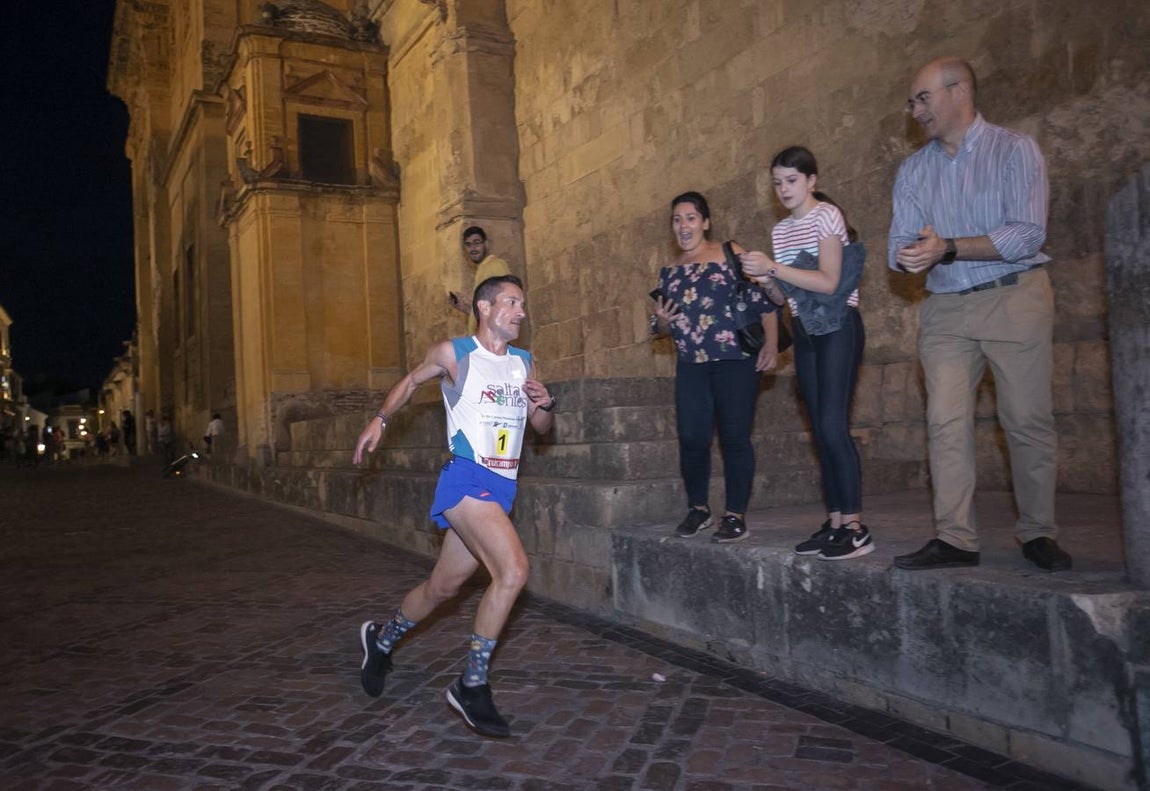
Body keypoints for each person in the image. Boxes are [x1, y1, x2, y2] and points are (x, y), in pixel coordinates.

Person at [353, 274, 556, 738]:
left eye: (522, 304)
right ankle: (472, 683)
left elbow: (540, 427)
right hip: (466, 478)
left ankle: (381, 641)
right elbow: (410, 382)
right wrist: (379, 421)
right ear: (485, 308)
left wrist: (546, 403)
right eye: (512, 302)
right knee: (513, 572)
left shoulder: (524, 362)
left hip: (502, 488)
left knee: (442, 589)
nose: (521, 311)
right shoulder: (456, 353)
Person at [888, 56, 1070, 572]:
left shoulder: (1015, 150)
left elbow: (1027, 234)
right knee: (944, 422)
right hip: (945, 307)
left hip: (1015, 297)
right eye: (912, 100)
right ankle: (955, 538)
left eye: (923, 98)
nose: (915, 109)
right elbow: (898, 244)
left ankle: (1038, 532)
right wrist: (910, 254)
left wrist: (947, 247)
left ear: (959, 91)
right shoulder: (913, 169)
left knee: (1027, 419)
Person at [740, 146, 872, 560]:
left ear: (811, 181)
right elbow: (787, 294)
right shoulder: (780, 232)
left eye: (792, 180)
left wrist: (774, 268)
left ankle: (855, 526)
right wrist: (764, 280)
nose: (783, 189)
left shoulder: (827, 216)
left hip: (838, 327)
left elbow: (830, 281)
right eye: (777, 182)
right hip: (807, 329)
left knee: (834, 424)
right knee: (819, 427)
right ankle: (834, 522)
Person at [650, 191, 778, 544]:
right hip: (691, 364)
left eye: (691, 217)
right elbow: (661, 328)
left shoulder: (729, 253)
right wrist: (661, 322)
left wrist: (771, 343)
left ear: (705, 222)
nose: (684, 225)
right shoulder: (670, 274)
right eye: (677, 219)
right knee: (692, 438)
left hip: (735, 360)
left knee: (735, 436)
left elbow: (763, 300)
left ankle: (735, 514)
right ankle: (698, 509)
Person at [449, 225, 512, 335]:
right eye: (468, 245)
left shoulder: (496, 265)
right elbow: (485, 314)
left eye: (477, 243)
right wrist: (466, 308)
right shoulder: (482, 269)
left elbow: (508, 304)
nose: (473, 248)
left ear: (486, 244)